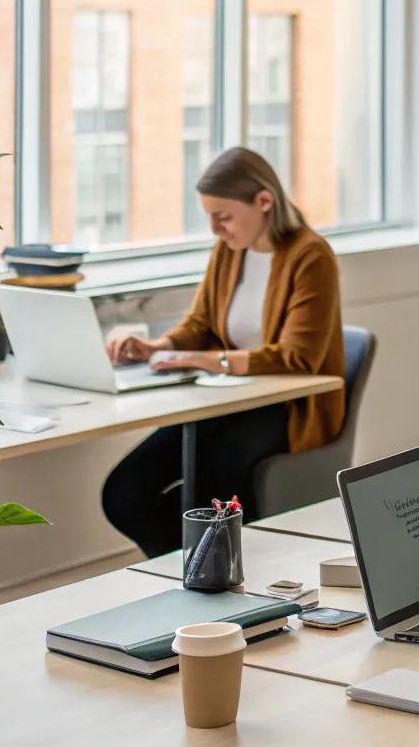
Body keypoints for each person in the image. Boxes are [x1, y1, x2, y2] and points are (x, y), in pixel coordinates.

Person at [101, 148, 345, 557]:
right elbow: (201, 325)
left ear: (264, 202)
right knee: (125, 492)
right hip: (226, 400)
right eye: (209, 216)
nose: (215, 228)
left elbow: (297, 357)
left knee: (213, 485)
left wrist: (208, 361)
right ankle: (197, 573)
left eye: (224, 216)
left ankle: (214, 576)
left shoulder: (310, 256)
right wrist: (157, 347)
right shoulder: (230, 250)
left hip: (287, 406)